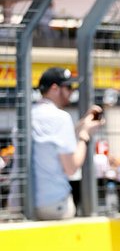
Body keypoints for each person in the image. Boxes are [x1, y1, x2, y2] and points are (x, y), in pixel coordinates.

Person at [31, 67, 104, 220]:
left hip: (25, 202)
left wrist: (81, 124)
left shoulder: (28, 113)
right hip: (54, 204)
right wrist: (84, 136)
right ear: (54, 88)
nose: (72, 92)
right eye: (68, 87)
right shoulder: (60, 117)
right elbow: (71, 167)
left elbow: (50, 142)